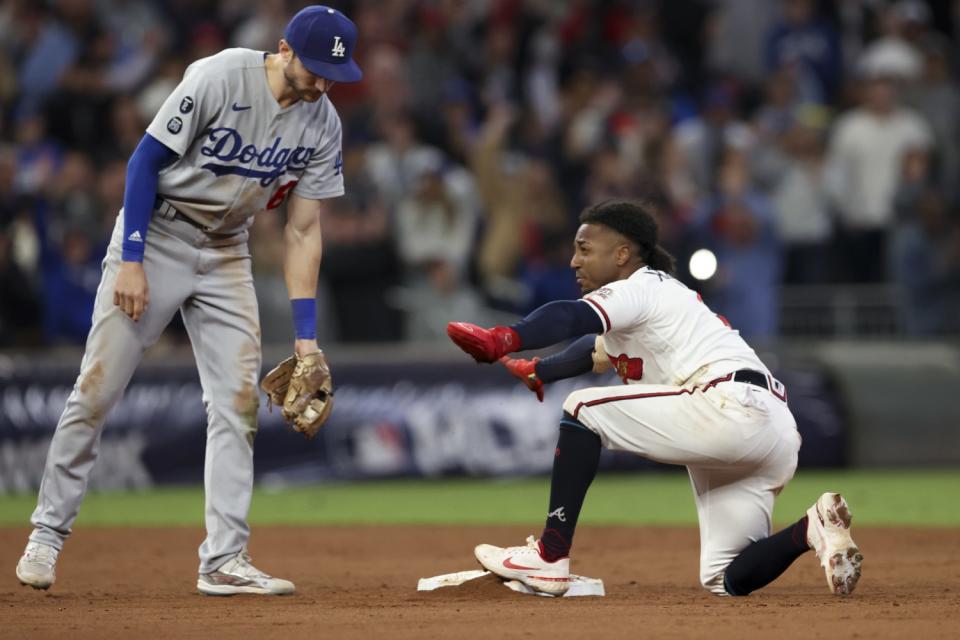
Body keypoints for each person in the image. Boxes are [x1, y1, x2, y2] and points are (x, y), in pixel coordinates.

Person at [15, 5, 362, 596]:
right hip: (157, 235)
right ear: (283, 50)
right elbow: (144, 161)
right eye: (314, 70)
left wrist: (306, 337)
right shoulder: (220, 74)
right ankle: (46, 535)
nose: (324, 84)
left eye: (334, 75)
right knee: (97, 390)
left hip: (228, 251)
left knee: (237, 404)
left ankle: (224, 559)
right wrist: (131, 259)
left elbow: (303, 232)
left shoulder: (322, 122)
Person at [446, 200, 863, 597]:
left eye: (585, 249)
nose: (574, 261)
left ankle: (549, 556)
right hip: (770, 427)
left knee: (582, 409)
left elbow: (570, 315)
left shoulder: (639, 288)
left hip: (727, 406)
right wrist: (540, 370)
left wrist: (505, 339)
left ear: (623, 253)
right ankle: (813, 527)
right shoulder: (651, 305)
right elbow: (593, 349)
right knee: (724, 576)